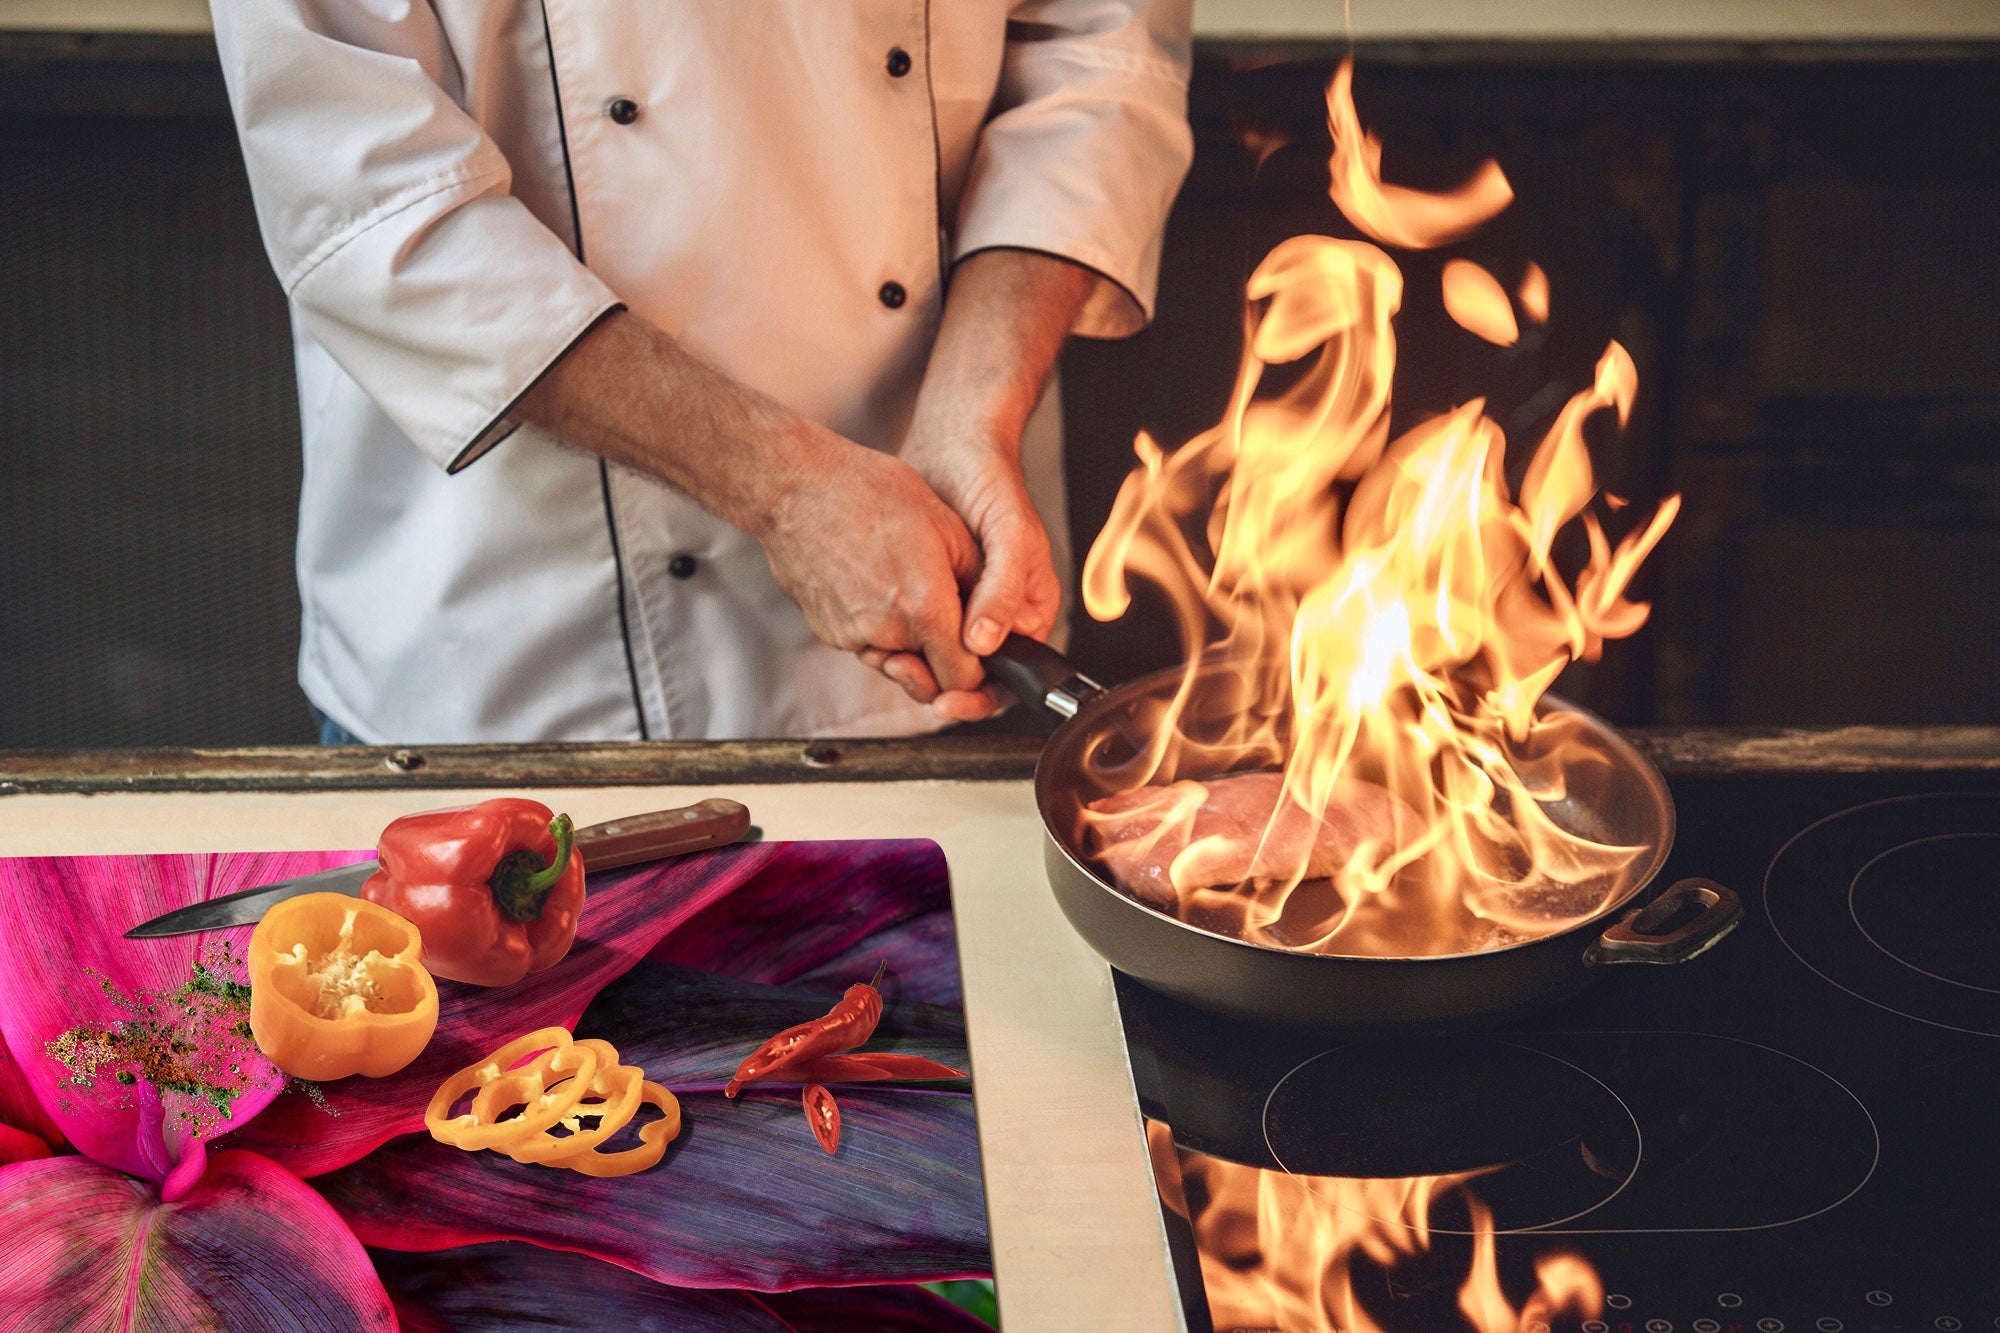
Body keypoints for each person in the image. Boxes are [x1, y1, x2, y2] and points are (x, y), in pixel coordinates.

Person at [210, 1, 1193, 742]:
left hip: (948, 579)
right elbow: (372, 197)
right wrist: (784, 489)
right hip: (523, 649)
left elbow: (1097, 60)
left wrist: (973, 416)